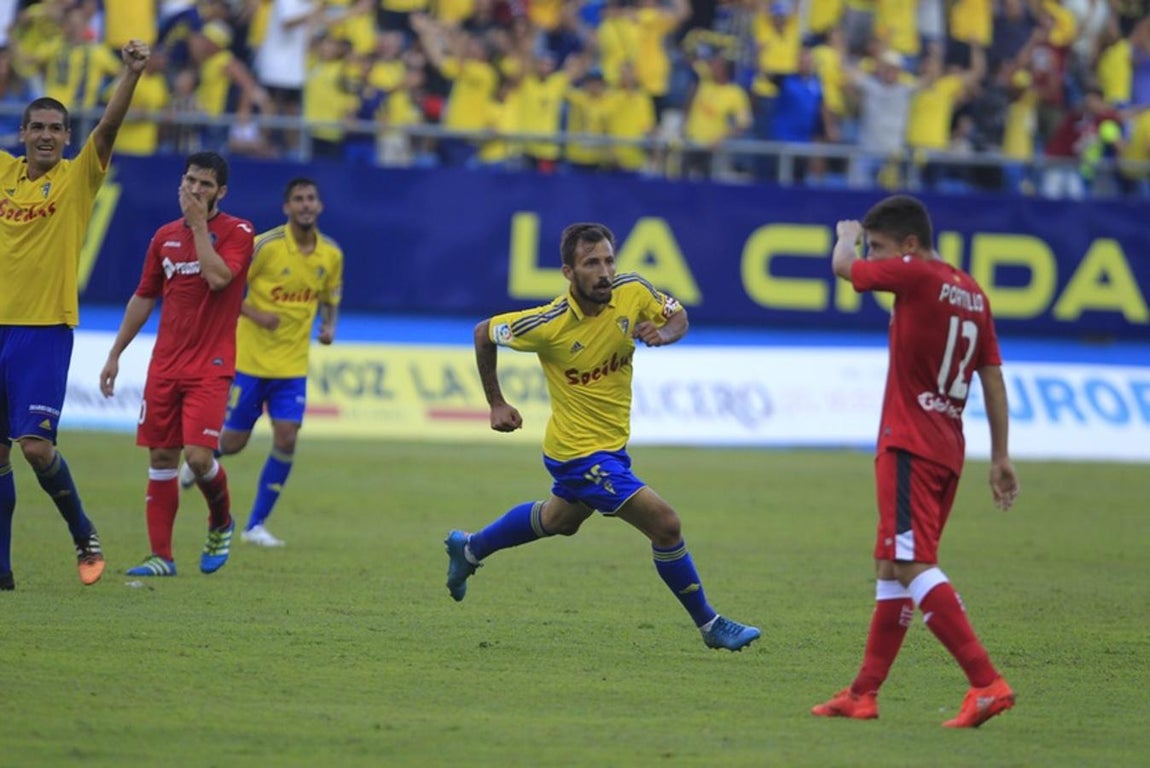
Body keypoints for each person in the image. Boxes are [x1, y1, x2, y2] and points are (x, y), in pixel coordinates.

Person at [444, 223, 761, 652]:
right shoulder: (549, 323)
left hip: (611, 447)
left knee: (560, 521)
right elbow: (484, 332)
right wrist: (496, 403)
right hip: (577, 454)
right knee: (665, 525)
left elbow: (678, 316)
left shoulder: (633, 291)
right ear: (568, 272)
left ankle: (469, 549)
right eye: (591, 263)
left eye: (609, 260)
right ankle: (711, 624)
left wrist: (663, 334)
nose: (605, 271)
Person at [811, 195, 1020, 728]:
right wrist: (1000, 455)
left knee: (910, 563)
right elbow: (992, 376)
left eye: (879, 248)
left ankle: (986, 683)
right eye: (869, 247)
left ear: (910, 245)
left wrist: (846, 237)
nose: (873, 258)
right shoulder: (972, 293)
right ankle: (863, 693)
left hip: (909, 443)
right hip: (948, 446)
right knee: (892, 565)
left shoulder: (916, 274)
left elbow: (845, 268)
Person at [0, 39, 151, 591]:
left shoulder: (77, 177)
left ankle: (82, 530)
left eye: (55, 129)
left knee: (36, 448)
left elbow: (107, 129)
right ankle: (2, 569)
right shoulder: (2, 172)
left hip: (43, 329)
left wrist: (131, 74)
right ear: (22, 133)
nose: (45, 135)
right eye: (36, 127)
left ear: (67, 137)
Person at [98, 152, 255, 577]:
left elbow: (219, 279)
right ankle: (161, 557)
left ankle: (220, 521)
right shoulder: (164, 236)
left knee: (199, 459)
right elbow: (144, 296)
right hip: (165, 366)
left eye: (206, 184)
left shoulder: (239, 231)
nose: (195, 190)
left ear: (221, 192)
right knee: (162, 457)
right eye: (190, 181)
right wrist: (115, 354)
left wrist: (200, 225)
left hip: (211, 366)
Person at [180, 177, 342, 547]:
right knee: (234, 442)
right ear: (287, 207)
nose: (305, 204)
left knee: (287, 437)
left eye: (311, 198)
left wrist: (329, 326)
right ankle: (200, 459)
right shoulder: (265, 246)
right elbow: (225, 286)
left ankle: (256, 525)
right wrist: (256, 315)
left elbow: (331, 298)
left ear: (319, 206)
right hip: (249, 362)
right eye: (298, 199)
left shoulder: (331, 254)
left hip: (292, 368)